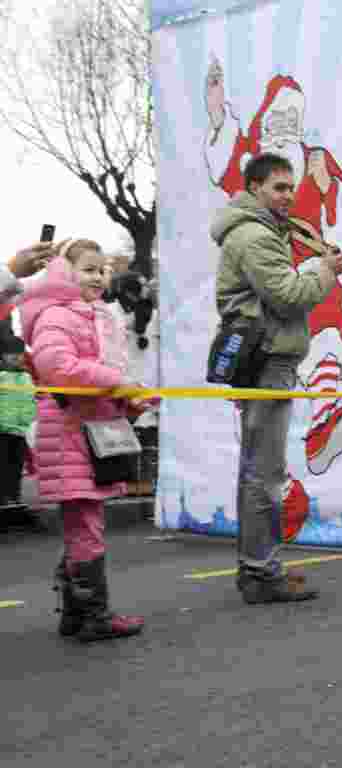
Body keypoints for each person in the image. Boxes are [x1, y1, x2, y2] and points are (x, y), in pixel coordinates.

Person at [212, 152, 342, 604]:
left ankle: (258, 569)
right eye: (278, 187)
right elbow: (289, 296)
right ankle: (260, 572)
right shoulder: (255, 236)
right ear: (254, 188)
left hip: (266, 358)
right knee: (264, 474)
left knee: (258, 471)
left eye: (291, 187)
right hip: (268, 360)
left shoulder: (261, 231)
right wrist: (326, 270)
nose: (288, 195)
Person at [18, 239, 154, 642]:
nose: (99, 276)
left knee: (84, 525)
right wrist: (118, 384)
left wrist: (132, 398)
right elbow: (58, 367)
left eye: (103, 269)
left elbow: (101, 375)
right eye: (89, 269)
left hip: (92, 432)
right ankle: (94, 615)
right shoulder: (55, 315)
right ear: (64, 272)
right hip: (70, 432)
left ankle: (78, 611)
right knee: (86, 526)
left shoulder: (98, 317)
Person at [0, 322, 34, 507]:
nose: (17, 357)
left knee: (16, 465)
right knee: (3, 465)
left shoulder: (26, 377)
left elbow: (30, 400)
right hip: (2, 429)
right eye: (11, 353)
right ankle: (4, 496)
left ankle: (14, 496)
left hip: (19, 429)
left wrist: (28, 419)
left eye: (20, 353)